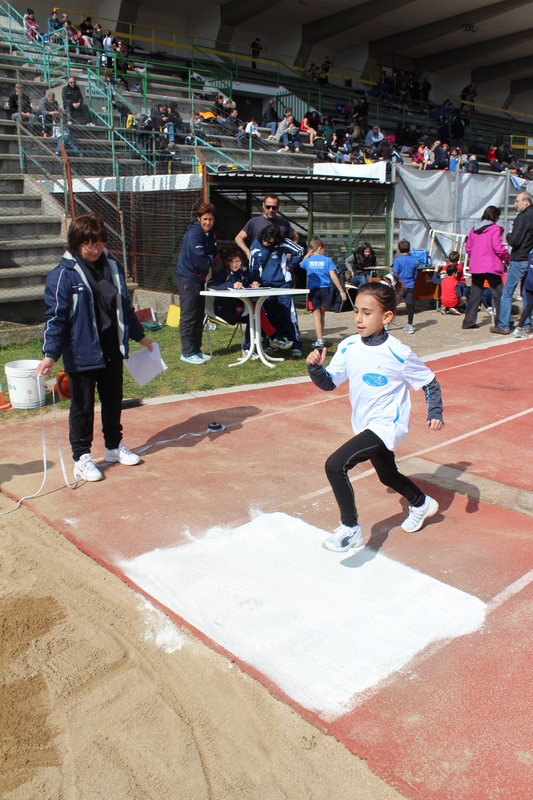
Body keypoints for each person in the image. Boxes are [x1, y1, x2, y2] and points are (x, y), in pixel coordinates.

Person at [306, 276, 443, 552]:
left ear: (387, 316)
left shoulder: (398, 353)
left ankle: (350, 528)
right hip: (364, 424)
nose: (359, 318)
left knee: (335, 465)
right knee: (387, 476)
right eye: (356, 311)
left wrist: (435, 410)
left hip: (385, 426)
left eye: (367, 313)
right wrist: (316, 369)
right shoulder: (348, 346)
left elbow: (429, 381)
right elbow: (330, 383)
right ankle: (422, 503)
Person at [36, 214, 154, 482]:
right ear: (77, 243)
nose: (96, 249)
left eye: (100, 243)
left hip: (112, 347)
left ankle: (114, 447)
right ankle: (82, 458)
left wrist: (140, 338)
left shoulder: (113, 265)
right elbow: (56, 318)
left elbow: (125, 306)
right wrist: (50, 355)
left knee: (113, 401)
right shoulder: (62, 275)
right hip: (82, 351)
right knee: (83, 406)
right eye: (90, 244)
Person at [206, 247, 274, 359]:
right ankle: (270, 337)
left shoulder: (244, 272)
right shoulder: (223, 273)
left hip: (241, 306)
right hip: (227, 309)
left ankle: (250, 348)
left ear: (241, 261)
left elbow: (248, 283)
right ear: (227, 262)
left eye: (237, 261)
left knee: (254, 312)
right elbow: (211, 284)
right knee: (254, 310)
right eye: (232, 262)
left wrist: (254, 284)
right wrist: (230, 285)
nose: (235, 264)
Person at [249, 225, 304, 358]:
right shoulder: (255, 245)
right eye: (265, 239)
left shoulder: (284, 243)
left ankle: (296, 345)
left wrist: (290, 265)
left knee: (289, 314)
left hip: (283, 285)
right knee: (270, 316)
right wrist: (254, 280)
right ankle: (271, 344)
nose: (266, 242)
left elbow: (300, 251)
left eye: (270, 240)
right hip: (265, 287)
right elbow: (252, 265)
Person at [175, 203, 219, 365]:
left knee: (200, 314)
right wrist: (208, 259)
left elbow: (216, 254)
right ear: (199, 218)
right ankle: (186, 352)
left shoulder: (211, 233)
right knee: (189, 314)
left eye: (211, 219)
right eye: (205, 219)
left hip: (200, 278)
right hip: (188, 277)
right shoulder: (194, 233)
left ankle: (196, 350)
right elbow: (199, 259)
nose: (208, 222)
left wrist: (209, 259)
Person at [491, 191, 533, 335]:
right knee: (527, 294)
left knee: (507, 293)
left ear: (526, 202)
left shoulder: (522, 218)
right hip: (530, 259)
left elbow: (514, 240)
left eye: (517, 201)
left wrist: (509, 234)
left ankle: (503, 325)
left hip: (519, 258)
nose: (515, 204)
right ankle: (526, 324)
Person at [462, 205, 508, 330]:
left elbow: (468, 249)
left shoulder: (473, 229)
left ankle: (468, 321)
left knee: (475, 294)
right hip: (491, 265)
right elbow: (498, 248)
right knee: (498, 294)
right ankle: (501, 322)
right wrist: (507, 259)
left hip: (476, 265)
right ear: (495, 216)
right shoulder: (495, 229)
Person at [301, 237, 346, 347]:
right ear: (320, 248)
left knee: (316, 316)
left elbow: (301, 264)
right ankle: (321, 338)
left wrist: (307, 255)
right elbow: (333, 276)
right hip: (325, 289)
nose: (324, 252)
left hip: (313, 290)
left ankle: (319, 340)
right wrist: (341, 291)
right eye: (324, 249)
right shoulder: (327, 260)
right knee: (322, 315)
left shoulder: (308, 260)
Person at [235, 194, 298, 259]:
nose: (271, 210)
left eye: (274, 207)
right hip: (259, 262)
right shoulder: (254, 222)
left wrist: (289, 251)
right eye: (268, 207)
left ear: (278, 207)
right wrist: (248, 252)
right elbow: (238, 238)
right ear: (263, 205)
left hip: (278, 263)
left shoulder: (283, 222)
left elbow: (295, 236)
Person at [393, 239, 418, 333]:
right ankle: (410, 325)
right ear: (410, 249)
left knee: (394, 304)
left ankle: (386, 324)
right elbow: (415, 274)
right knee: (409, 306)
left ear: (398, 250)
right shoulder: (413, 261)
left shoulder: (398, 261)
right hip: (410, 285)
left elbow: (395, 274)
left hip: (400, 285)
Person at [512, 249, 533, 337]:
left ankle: (519, 328)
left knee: (529, 305)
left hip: (529, 282)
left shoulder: (531, 252)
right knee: (529, 305)